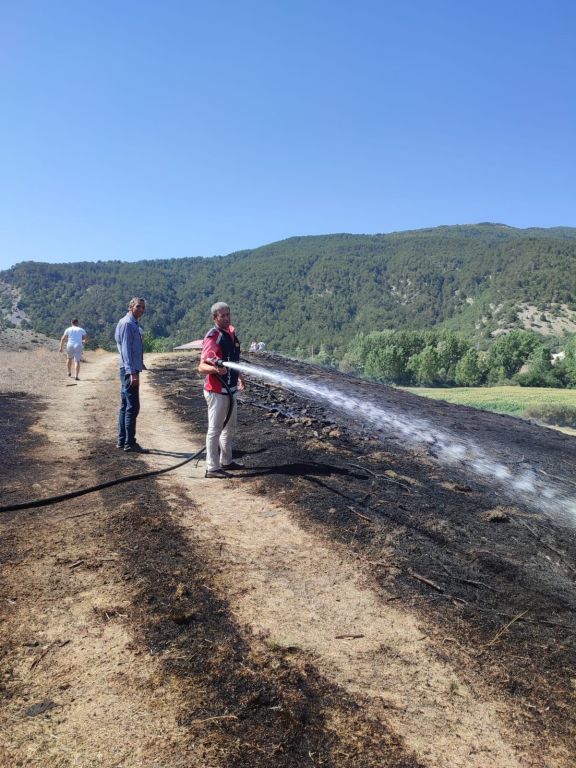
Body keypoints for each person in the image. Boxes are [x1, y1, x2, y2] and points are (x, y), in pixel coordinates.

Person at [198, 302, 245, 478]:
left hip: (231, 390)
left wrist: (239, 376)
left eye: (228, 315)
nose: (226, 318)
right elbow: (201, 367)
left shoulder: (231, 333)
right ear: (215, 318)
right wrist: (216, 369)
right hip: (216, 391)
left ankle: (227, 460)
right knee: (215, 428)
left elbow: (233, 359)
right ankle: (212, 468)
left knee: (230, 427)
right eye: (222, 316)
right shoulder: (213, 337)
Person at [115, 297, 149, 453]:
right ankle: (130, 443)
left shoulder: (131, 323)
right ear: (130, 307)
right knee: (132, 406)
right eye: (138, 307)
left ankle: (122, 440)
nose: (141, 309)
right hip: (129, 371)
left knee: (125, 406)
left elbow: (129, 348)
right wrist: (132, 372)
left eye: (143, 307)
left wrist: (139, 363)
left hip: (130, 368)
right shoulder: (128, 324)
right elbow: (126, 350)